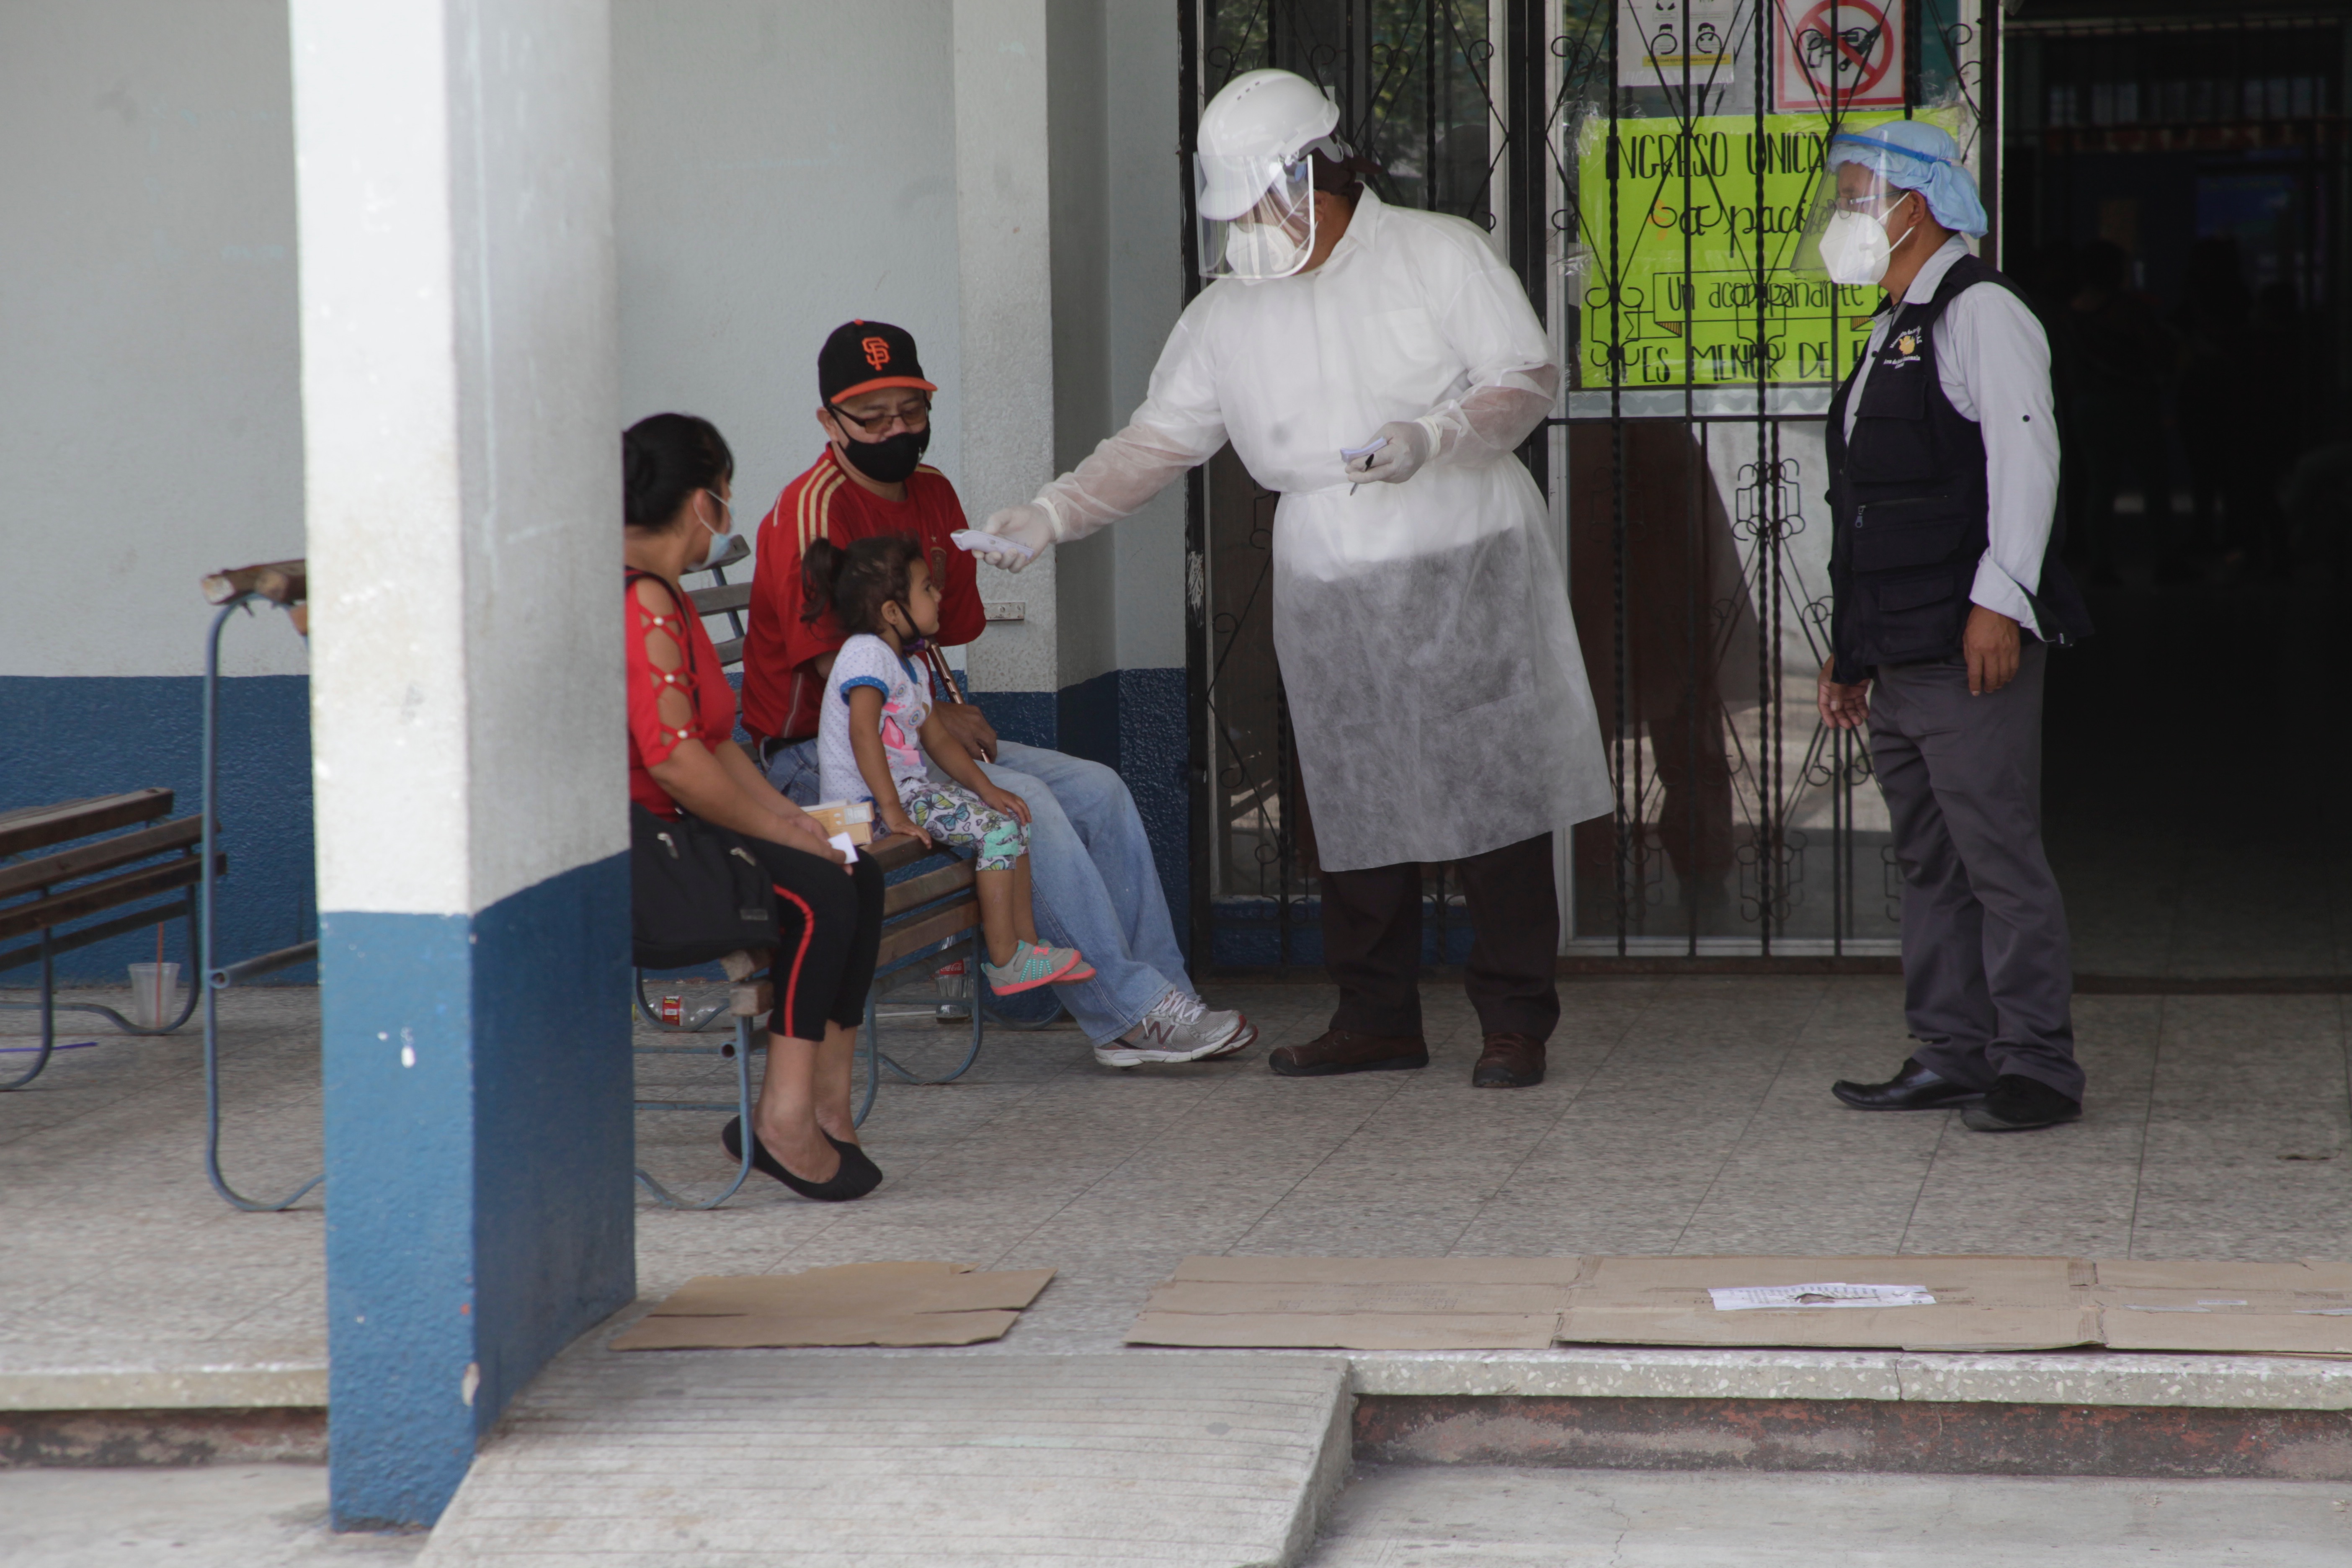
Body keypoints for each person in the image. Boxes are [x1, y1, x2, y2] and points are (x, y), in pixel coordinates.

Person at [972, 68, 1611, 1088]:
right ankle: (1375, 1015)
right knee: (1349, 799)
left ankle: (1514, 1018)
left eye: (1262, 205)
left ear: (1318, 175)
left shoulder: (1439, 252)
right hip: (1328, 573)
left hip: (1464, 556)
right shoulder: (1230, 310)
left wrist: (1435, 432)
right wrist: (1053, 511)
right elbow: (1158, 439)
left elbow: (1524, 380)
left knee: (1495, 797)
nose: (1251, 231)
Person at [740, 319, 1254, 1068]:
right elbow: (838, 682)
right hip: (828, 760)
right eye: (872, 415)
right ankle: (1129, 1015)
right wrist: (937, 713)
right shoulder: (813, 509)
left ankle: (1163, 996)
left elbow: (940, 631)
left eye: (910, 411)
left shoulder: (932, 490)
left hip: (911, 731)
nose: (896, 429)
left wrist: (946, 702)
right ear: (830, 422)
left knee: (1099, 788)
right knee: (1028, 805)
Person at [1805, 121, 2094, 1133]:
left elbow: (2027, 460)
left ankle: (2037, 1066)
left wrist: (1998, 601)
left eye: (1854, 196)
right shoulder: (1897, 323)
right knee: (1930, 860)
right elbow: (1870, 509)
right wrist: (1852, 649)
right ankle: (1950, 1050)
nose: (1843, 216)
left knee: (1996, 855)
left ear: (1910, 205)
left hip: (1969, 646)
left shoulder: (1983, 312)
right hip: (1901, 652)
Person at [624, 412, 887, 1200]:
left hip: (686, 828)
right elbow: (675, 762)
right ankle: (781, 1117)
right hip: (645, 851)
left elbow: (720, 742)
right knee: (818, 897)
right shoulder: (637, 603)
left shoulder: (664, 593)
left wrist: (793, 819)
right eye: (726, 494)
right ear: (701, 501)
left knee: (853, 869)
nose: (727, 510)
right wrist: (778, 828)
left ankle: (827, 1104)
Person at [807, 534, 1091, 994]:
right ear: (891, 612)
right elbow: (863, 733)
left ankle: (1027, 947)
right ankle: (1005, 961)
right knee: (998, 832)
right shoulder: (866, 655)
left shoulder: (910, 666)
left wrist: (987, 790)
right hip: (865, 811)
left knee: (1008, 817)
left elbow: (936, 737)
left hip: (902, 796)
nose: (938, 595)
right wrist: (892, 812)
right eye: (925, 588)